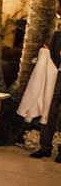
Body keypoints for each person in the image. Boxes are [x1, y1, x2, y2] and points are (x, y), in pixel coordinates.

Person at [30, 27, 61, 163]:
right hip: (56, 77)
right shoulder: (57, 35)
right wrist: (47, 52)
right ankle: (45, 148)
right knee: (49, 110)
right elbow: (53, 57)